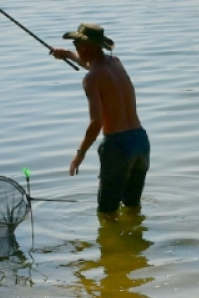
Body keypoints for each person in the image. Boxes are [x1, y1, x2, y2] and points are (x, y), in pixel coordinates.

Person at [50, 23, 149, 214]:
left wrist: (80, 153)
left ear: (86, 47)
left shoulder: (91, 79)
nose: (76, 48)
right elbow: (91, 63)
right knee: (132, 207)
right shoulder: (116, 63)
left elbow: (96, 122)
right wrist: (67, 54)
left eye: (77, 45)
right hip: (140, 141)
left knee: (107, 212)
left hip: (118, 146)